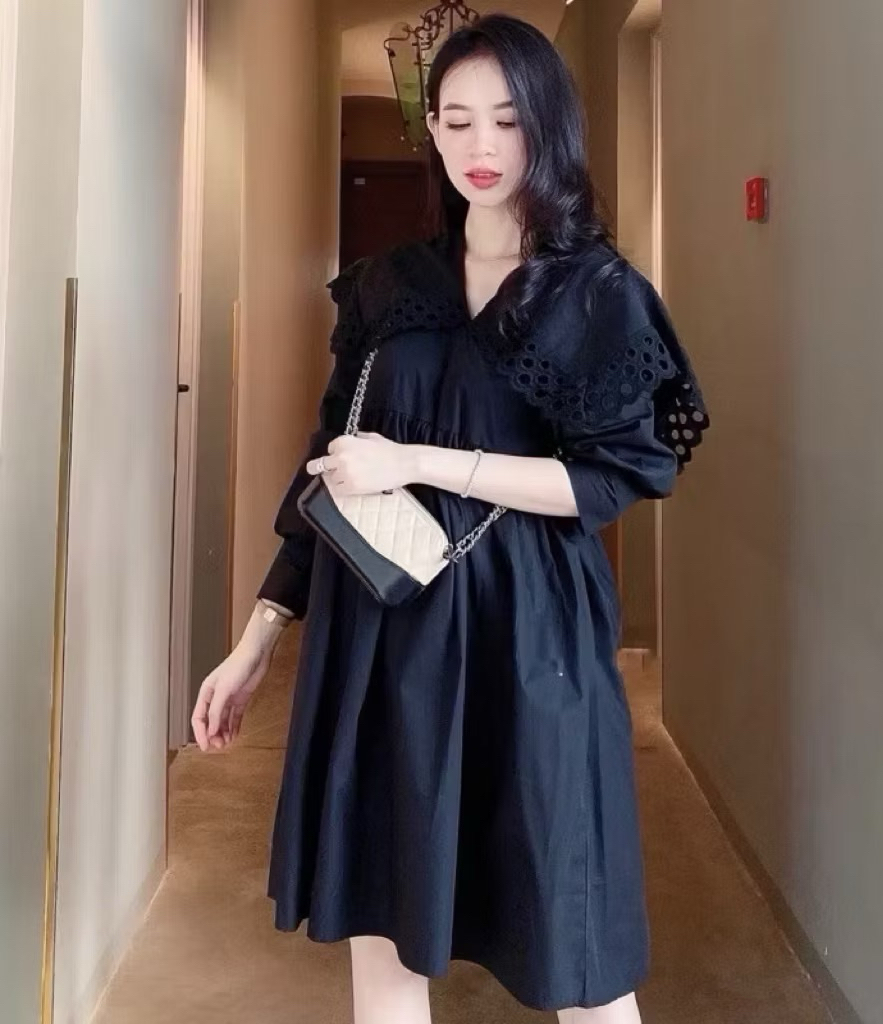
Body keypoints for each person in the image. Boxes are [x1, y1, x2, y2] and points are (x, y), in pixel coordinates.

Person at [191, 13, 708, 1024]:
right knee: (388, 917)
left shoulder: (597, 295)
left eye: (507, 121)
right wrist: (258, 637)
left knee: (575, 932)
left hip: (532, 634)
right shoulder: (390, 288)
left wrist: (422, 462)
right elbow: (327, 466)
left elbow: (613, 478)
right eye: (457, 119)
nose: (481, 146)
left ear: (548, 126)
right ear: (430, 129)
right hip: (382, 634)